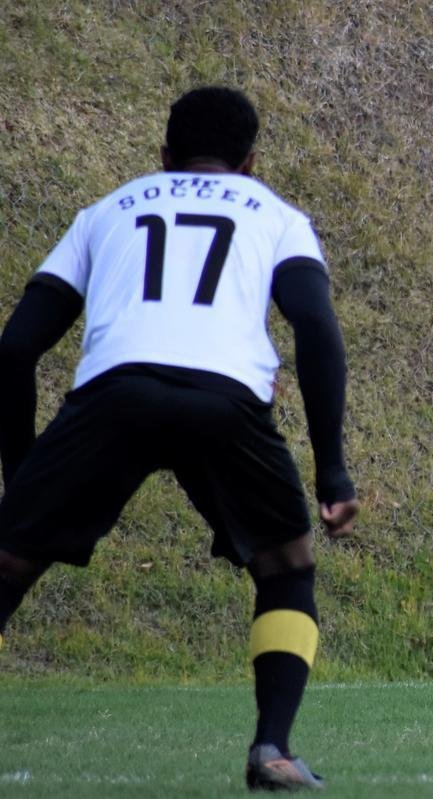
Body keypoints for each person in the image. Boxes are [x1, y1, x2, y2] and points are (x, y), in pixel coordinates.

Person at [0, 86, 359, 789]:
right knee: (286, 567)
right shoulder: (279, 218)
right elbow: (317, 330)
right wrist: (334, 474)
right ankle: (272, 749)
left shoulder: (106, 211)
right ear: (252, 162)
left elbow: (13, 350)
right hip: (223, 403)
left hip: (114, 395)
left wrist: (23, 480)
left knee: (8, 565)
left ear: (162, 156)